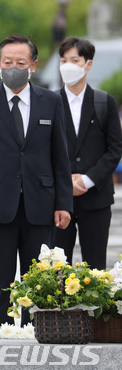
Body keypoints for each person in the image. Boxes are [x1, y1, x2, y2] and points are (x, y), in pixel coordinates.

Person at [0, 34, 73, 328]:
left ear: (33, 65)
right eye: (8, 62)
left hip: (41, 205)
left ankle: (37, 334)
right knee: (0, 281)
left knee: (37, 281)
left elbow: (60, 157)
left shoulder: (51, 102)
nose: (14, 67)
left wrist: (64, 202)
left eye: (20, 62)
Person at [51, 37, 122, 269]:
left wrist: (88, 179)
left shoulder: (104, 102)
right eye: (63, 60)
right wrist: (64, 180)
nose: (67, 65)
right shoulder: (49, 102)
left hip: (96, 197)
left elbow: (115, 148)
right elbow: (40, 148)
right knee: (57, 268)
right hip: (58, 200)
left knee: (96, 266)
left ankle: (95, 307)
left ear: (88, 64)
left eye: (74, 60)